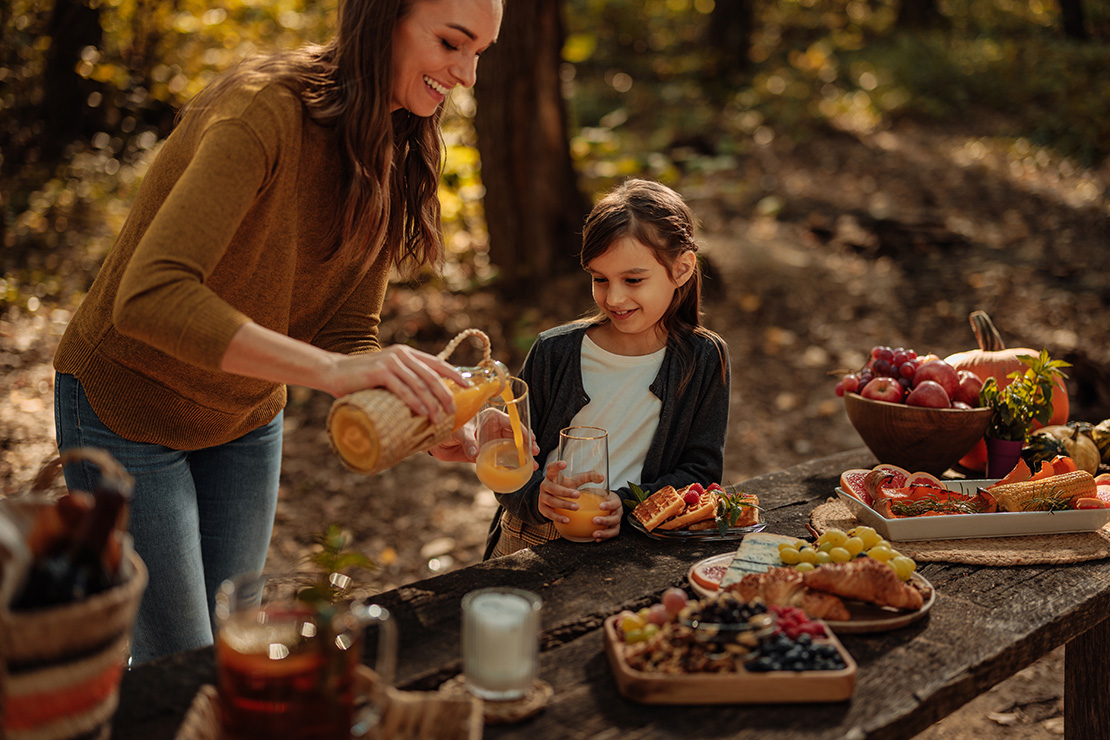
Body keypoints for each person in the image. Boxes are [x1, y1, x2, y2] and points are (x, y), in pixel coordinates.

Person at [51, 0, 503, 664]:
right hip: (128, 412)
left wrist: (424, 419)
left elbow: (350, 330)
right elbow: (147, 297)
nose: (464, 75)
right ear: (383, 19)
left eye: (478, 55)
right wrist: (331, 374)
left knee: (234, 647)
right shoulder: (263, 109)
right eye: (451, 43)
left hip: (245, 419)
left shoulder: (397, 136)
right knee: (181, 666)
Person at [484, 178, 731, 559]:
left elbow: (700, 470)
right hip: (528, 539)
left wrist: (629, 504)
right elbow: (505, 451)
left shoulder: (704, 358)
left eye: (633, 280)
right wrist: (537, 496)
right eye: (600, 279)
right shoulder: (554, 351)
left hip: (632, 547)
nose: (614, 297)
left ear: (681, 269)